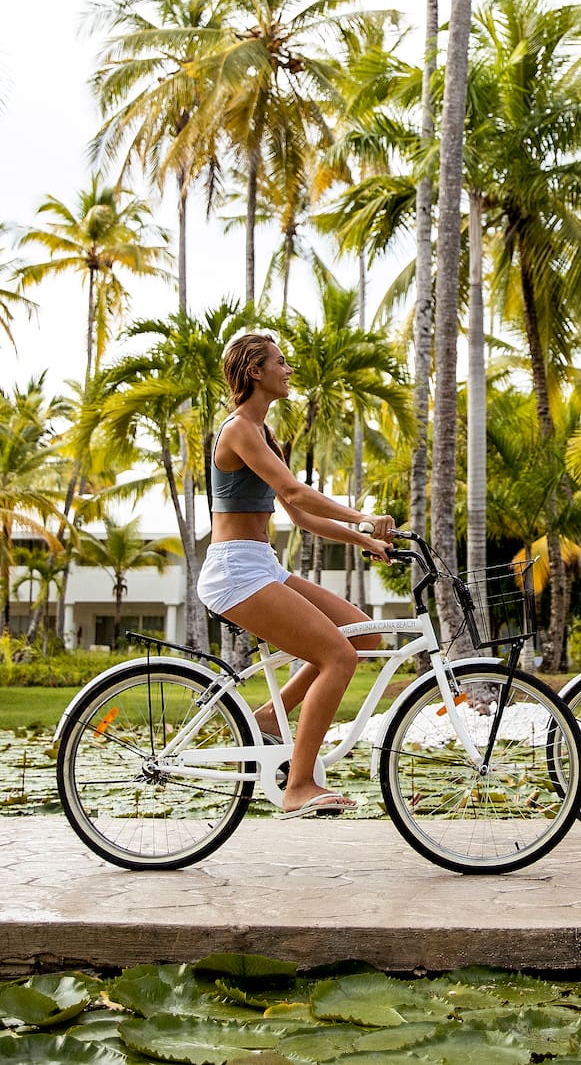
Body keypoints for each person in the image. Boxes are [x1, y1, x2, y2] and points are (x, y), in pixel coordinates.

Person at [201, 329, 396, 817]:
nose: (289, 370)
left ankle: (270, 716)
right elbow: (294, 493)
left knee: (362, 636)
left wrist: (364, 540)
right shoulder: (239, 429)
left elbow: (301, 518)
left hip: (261, 562)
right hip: (235, 570)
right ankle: (299, 786)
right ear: (255, 371)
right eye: (280, 362)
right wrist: (362, 516)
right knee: (337, 657)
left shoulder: (264, 433)